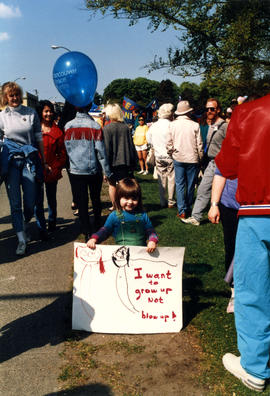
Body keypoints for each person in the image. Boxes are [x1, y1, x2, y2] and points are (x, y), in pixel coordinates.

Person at [215, 94, 270, 392]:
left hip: (258, 211)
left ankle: (255, 367)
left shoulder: (248, 112)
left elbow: (228, 165)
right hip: (257, 209)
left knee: (253, 290)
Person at [0, 82, 48, 255]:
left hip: (29, 160)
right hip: (11, 162)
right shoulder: (2, 116)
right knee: (15, 203)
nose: (14, 98)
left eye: (16, 94)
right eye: (10, 95)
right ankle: (21, 239)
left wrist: (43, 160)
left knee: (30, 201)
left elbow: (38, 138)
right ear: (5, 97)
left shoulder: (31, 113)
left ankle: (24, 223)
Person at [64, 102, 112, 242]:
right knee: (95, 198)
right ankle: (97, 225)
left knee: (82, 201)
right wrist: (107, 171)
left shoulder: (68, 126)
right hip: (92, 169)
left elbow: (67, 150)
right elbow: (101, 152)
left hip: (75, 170)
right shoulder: (95, 126)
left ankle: (86, 231)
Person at [181, 98, 228, 225]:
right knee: (204, 188)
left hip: (222, 162)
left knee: (211, 189)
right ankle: (196, 217)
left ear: (218, 109)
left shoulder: (225, 126)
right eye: (207, 109)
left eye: (212, 109)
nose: (209, 111)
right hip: (211, 162)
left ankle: (199, 216)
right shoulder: (210, 125)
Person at [87, 177, 158, 253]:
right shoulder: (114, 216)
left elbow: (150, 230)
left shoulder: (142, 215)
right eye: (126, 198)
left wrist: (152, 240)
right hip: (122, 254)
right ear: (118, 198)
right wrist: (94, 238)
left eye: (134, 199)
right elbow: (105, 230)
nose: (130, 202)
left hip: (141, 254)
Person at [207, 170, 239, 313]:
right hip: (231, 205)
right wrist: (214, 204)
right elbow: (221, 173)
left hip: (260, 207)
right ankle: (235, 292)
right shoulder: (232, 147)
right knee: (233, 248)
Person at [166, 100, 203, 219]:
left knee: (180, 184)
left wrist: (172, 153)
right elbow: (200, 145)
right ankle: (187, 207)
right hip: (192, 158)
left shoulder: (172, 125)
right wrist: (200, 158)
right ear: (188, 112)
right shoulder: (195, 125)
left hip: (178, 157)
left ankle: (182, 210)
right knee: (191, 185)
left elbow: (168, 143)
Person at [35, 100, 66, 235]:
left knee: (51, 199)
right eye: (46, 111)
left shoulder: (58, 132)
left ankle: (52, 223)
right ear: (41, 113)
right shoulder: (34, 130)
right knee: (38, 200)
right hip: (37, 169)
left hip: (52, 170)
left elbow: (63, 153)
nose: (48, 113)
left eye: (50, 111)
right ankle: (41, 227)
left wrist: (56, 167)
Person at [102, 104, 137, 210]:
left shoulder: (107, 128)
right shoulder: (126, 127)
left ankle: (115, 206)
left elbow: (106, 149)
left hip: (112, 162)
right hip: (124, 161)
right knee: (124, 186)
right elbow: (131, 146)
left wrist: (105, 169)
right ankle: (125, 206)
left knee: (112, 185)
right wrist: (133, 162)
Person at [146, 103, 176, 208]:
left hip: (159, 156)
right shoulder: (172, 125)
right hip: (171, 156)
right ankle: (171, 201)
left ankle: (163, 201)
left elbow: (148, 139)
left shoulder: (154, 126)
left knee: (161, 179)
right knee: (172, 178)